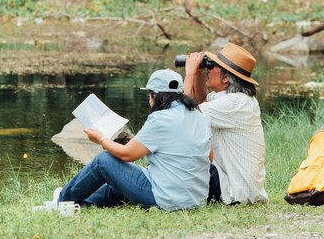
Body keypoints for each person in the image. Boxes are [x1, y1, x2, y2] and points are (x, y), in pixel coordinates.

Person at [56, 69, 212, 211]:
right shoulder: (200, 116)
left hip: (167, 199)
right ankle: (81, 204)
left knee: (103, 161)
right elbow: (210, 157)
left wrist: (100, 139)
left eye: (149, 95)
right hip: (195, 199)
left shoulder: (160, 119)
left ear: (155, 96)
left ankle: (62, 201)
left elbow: (127, 155)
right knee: (119, 181)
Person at [183, 43, 268, 205]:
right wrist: (200, 74)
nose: (209, 68)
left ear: (226, 77)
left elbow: (185, 115)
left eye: (213, 66)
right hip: (240, 187)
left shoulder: (235, 103)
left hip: (235, 191)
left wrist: (190, 74)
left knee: (181, 161)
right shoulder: (238, 100)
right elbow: (201, 101)